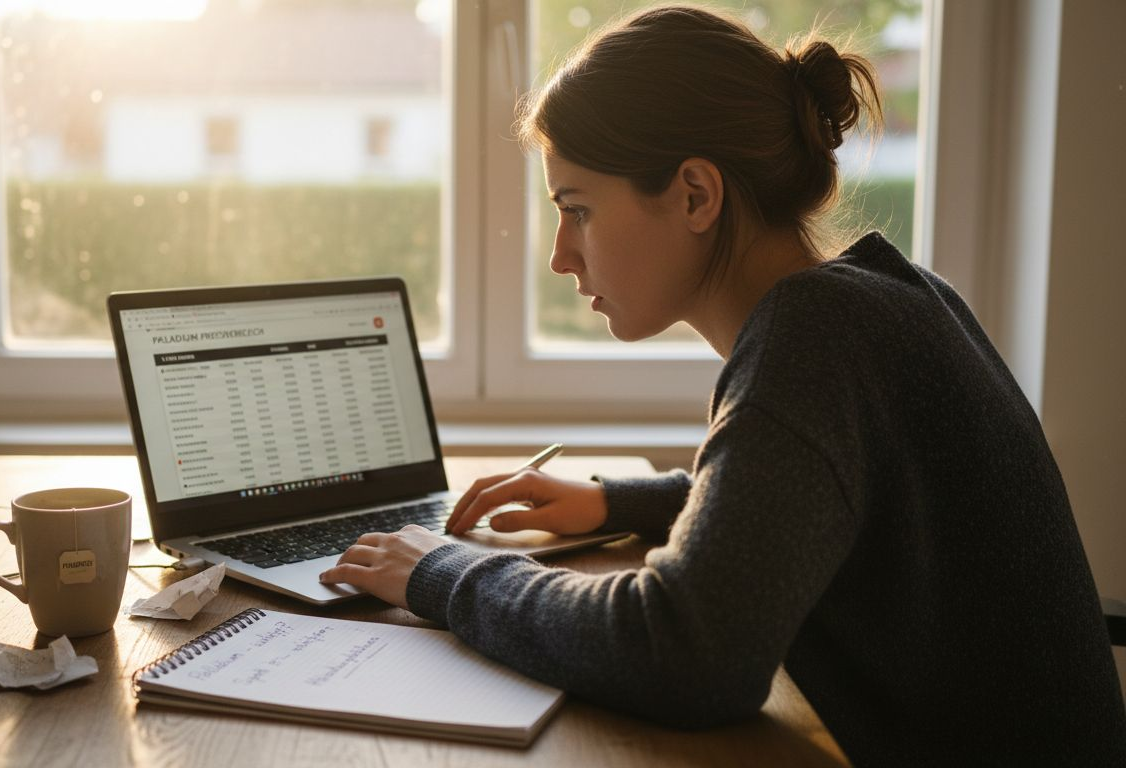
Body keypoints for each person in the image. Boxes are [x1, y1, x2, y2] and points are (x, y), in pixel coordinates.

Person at [319, 4, 1126, 764]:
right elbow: (824, 501)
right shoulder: (895, 295)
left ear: (696, 195)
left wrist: (442, 573)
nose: (561, 256)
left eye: (578, 209)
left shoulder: (813, 337)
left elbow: (685, 654)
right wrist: (621, 503)